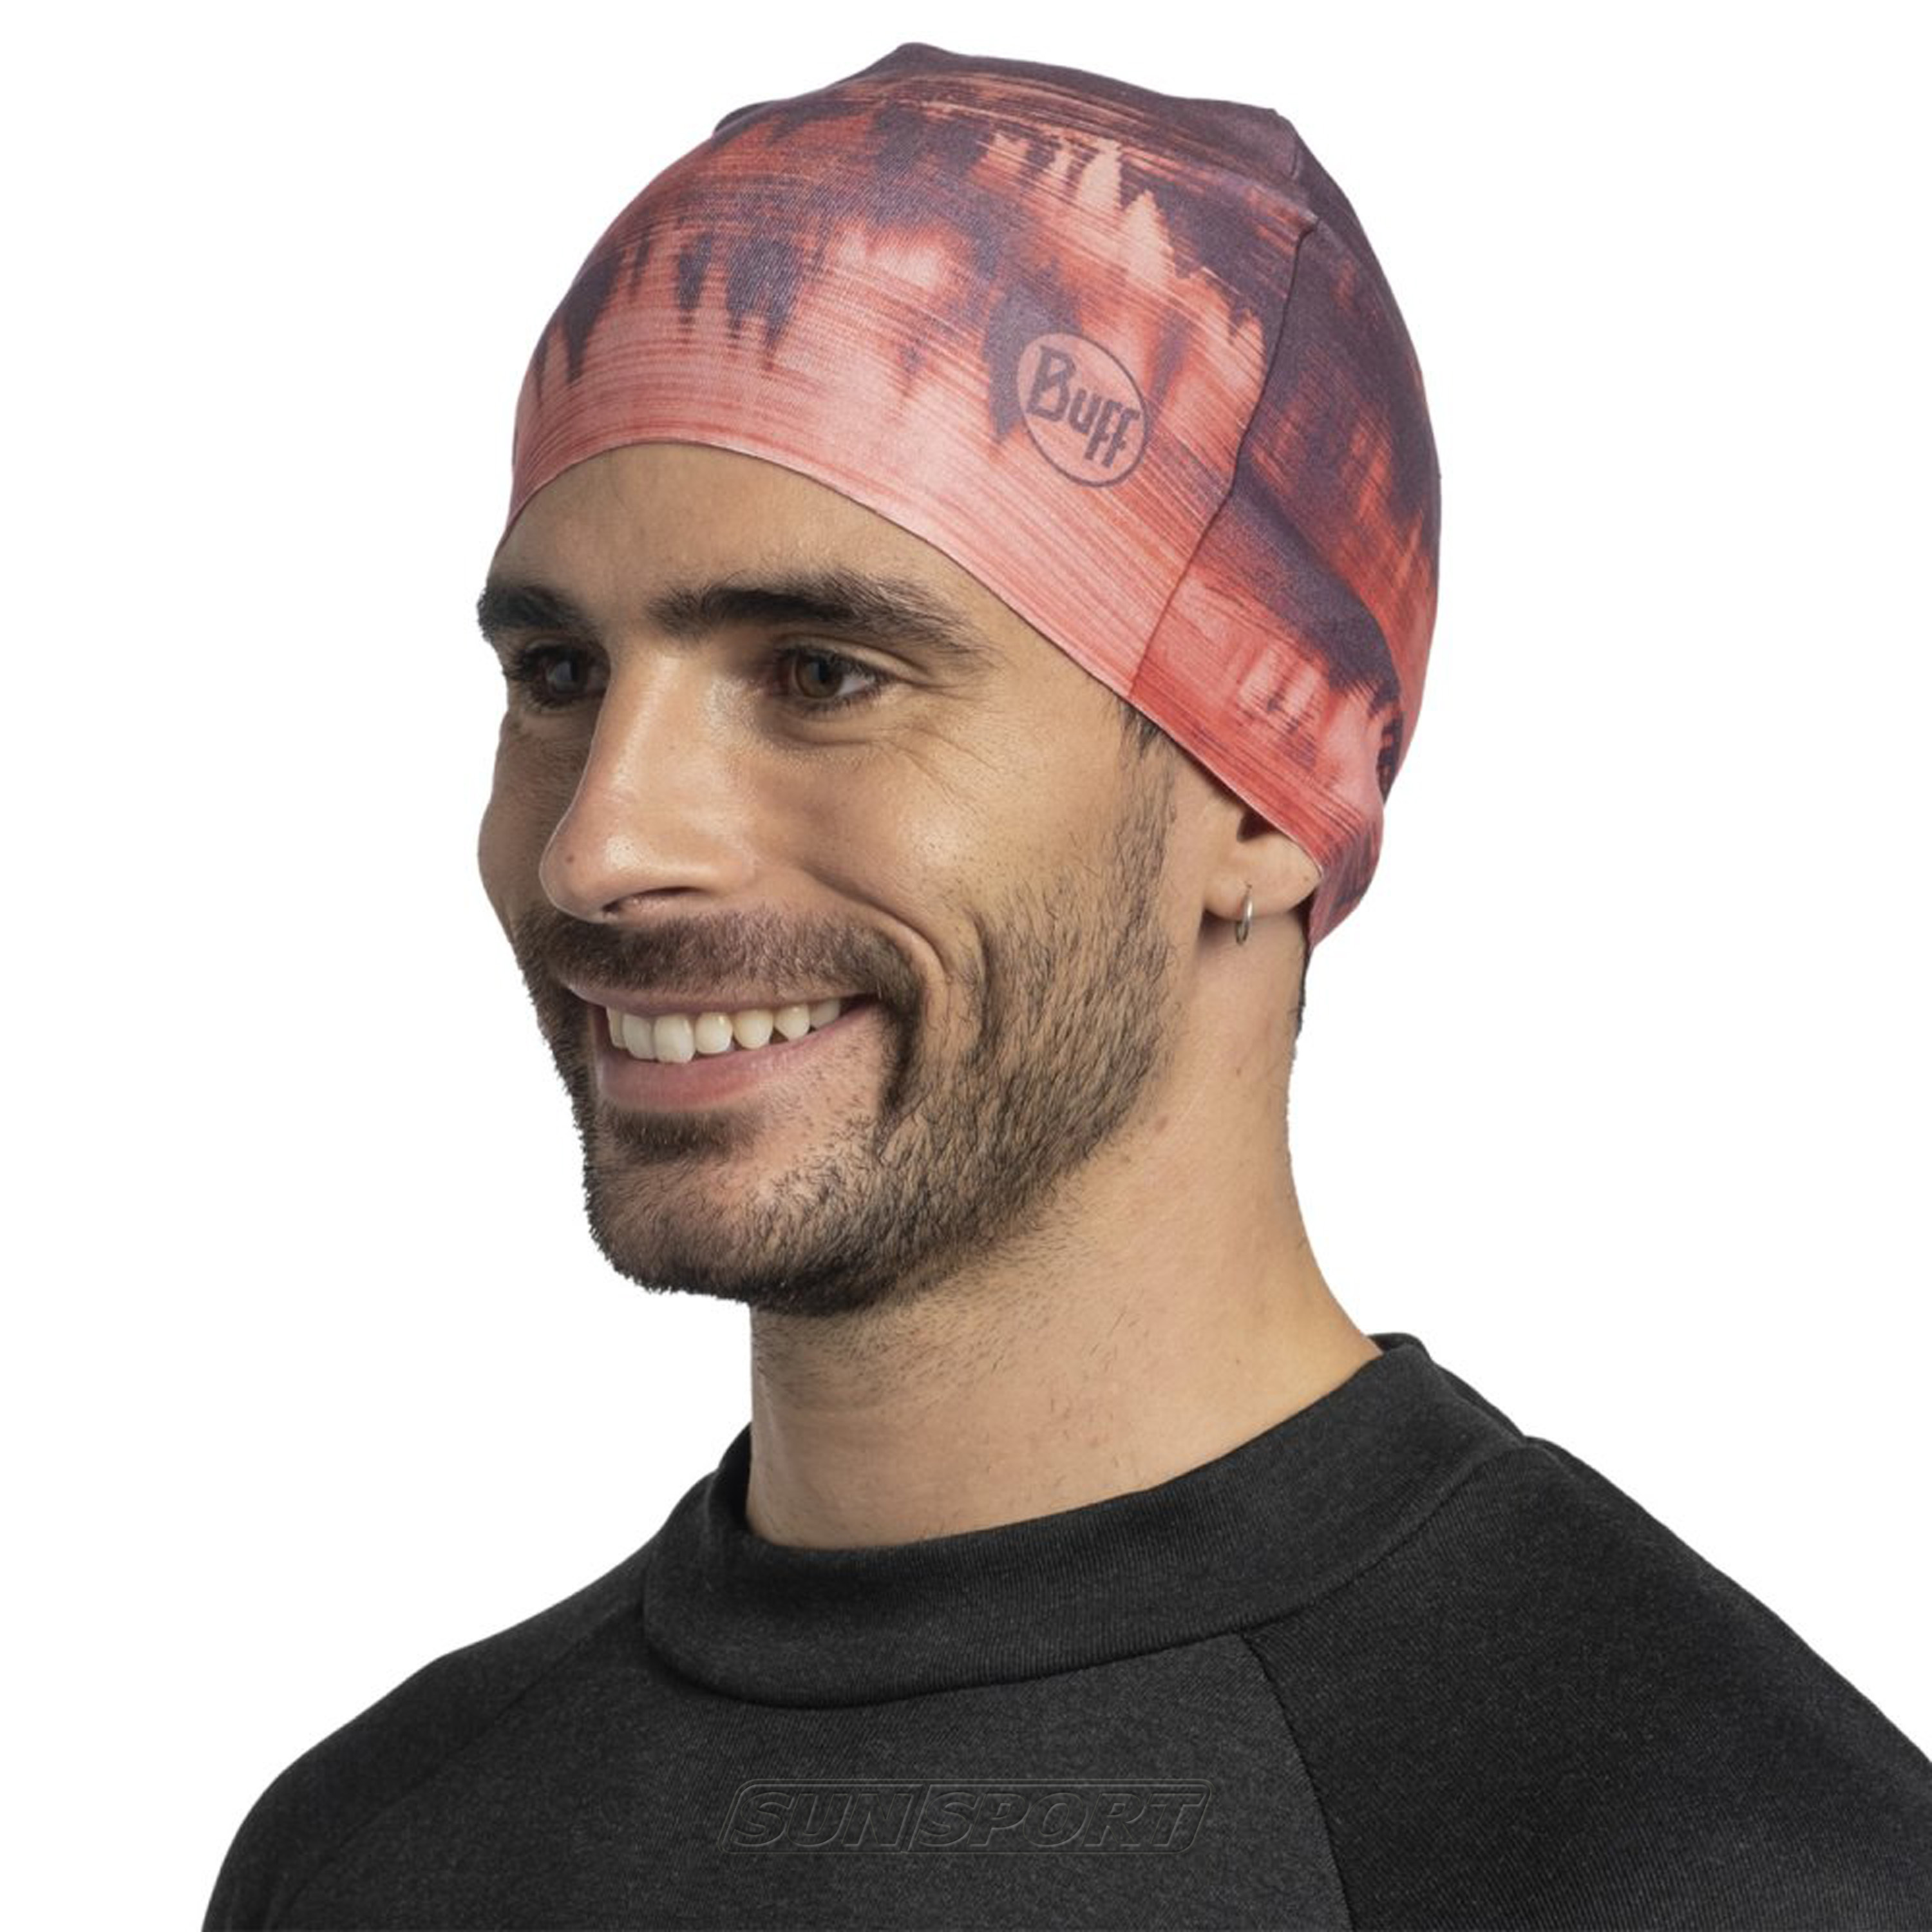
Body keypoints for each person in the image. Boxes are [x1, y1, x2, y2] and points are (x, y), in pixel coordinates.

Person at [201, 41, 1932, 1931]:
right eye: (557, 677)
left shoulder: (1730, 1871)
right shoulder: (370, 1853)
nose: (598, 847)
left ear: (1260, 795)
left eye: (823, 674)